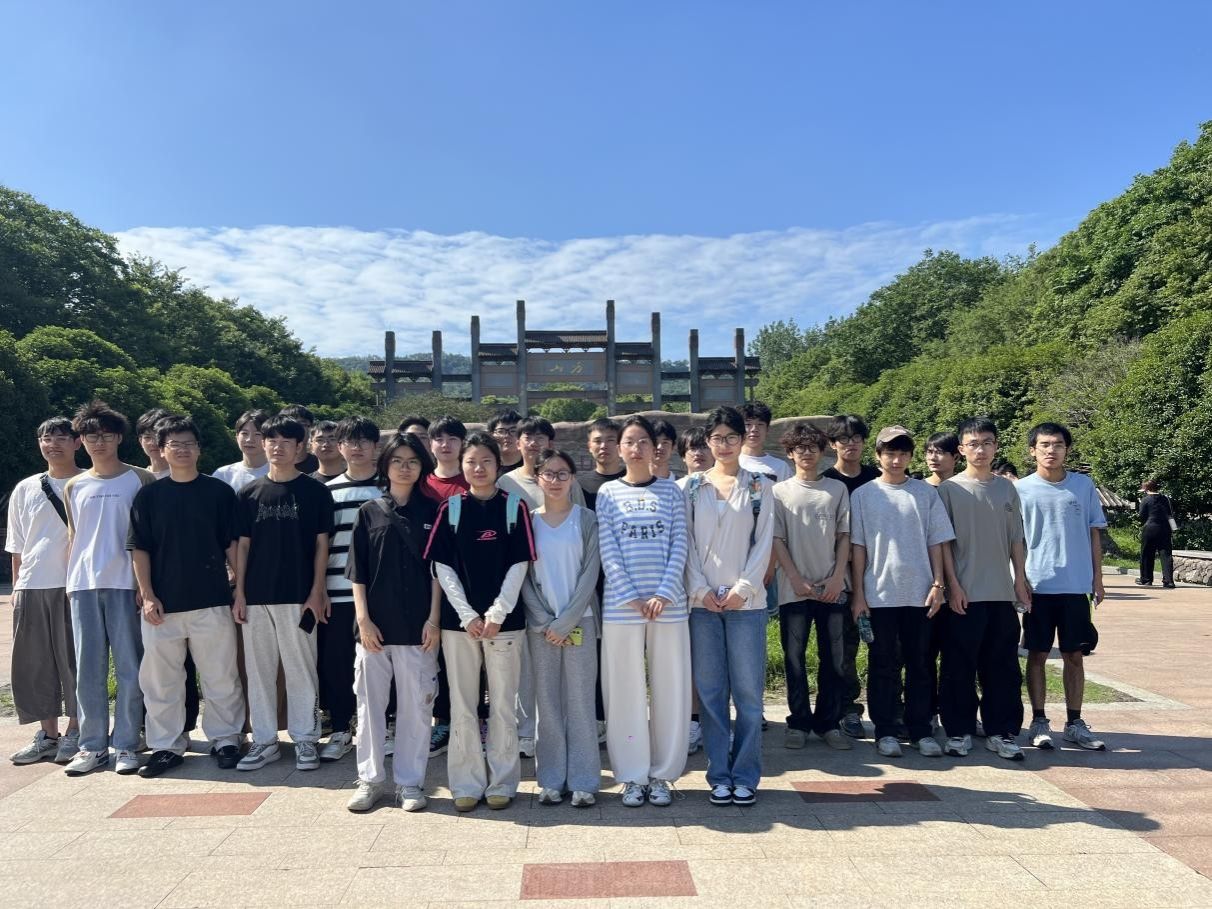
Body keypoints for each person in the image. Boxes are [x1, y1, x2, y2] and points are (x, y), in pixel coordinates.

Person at [424, 432, 535, 812]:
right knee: (463, 705)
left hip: (507, 624)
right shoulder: (451, 509)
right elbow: (442, 567)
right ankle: (466, 783)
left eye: (486, 460)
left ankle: (502, 782)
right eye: (471, 461)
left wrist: (496, 614)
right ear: (463, 466)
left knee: (503, 705)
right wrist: (468, 615)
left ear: (498, 464)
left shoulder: (514, 507)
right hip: (460, 626)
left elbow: (520, 564)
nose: (479, 468)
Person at [130, 415, 245, 777]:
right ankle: (166, 746)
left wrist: (241, 590)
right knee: (160, 680)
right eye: (174, 444)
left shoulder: (218, 492)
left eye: (188, 443)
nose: (182, 450)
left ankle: (226, 739)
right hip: (163, 605)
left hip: (212, 600)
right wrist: (147, 594)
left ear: (199, 449)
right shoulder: (149, 496)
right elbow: (139, 548)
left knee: (220, 675)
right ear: (161, 450)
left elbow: (231, 545)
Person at [596, 415, 690, 808]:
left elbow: (681, 543)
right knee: (625, 691)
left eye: (643, 442)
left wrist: (664, 594)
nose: (636, 449)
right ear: (620, 449)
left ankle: (663, 774)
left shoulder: (672, 492)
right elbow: (608, 550)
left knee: (671, 688)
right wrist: (633, 597)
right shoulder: (607, 493)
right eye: (629, 442)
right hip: (622, 608)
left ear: (655, 448)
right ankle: (632, 775)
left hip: (669, 607)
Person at [345, 432, 442, 812]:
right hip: (375, 629)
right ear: (385, 465)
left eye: (412, 461)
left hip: (419, 626)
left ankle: (410, 783)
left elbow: (439, 572)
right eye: (398, 460)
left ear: (422, 467)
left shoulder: (433, 512)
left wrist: (434, 619)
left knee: (417, 709)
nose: (405, 467)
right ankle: (369, 780)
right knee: (369, 707)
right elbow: (358, 573)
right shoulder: (368, 512)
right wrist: (363, 620)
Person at [233, 414, 335, 772]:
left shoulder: (315, 491)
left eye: (286, 441)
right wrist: (240, 593)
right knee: (259, 671)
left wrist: (317, 591)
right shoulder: (248, 493)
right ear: (264, 444)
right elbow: (242, 546)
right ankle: (264, 741)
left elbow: (322, 545)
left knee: (301, 669)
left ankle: (306, 738)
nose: (277, 447)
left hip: (299, 596)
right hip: (256, 596)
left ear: (299, 447)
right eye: (271, 440)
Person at [684, 407, 774, 805]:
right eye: (717, 438)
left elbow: (764, 541)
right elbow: (684, 543)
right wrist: (699, 589)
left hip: (746, 606)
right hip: (702, 604)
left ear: (742, 440)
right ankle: (719, 775)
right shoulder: (689, 487)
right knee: (711, 693)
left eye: (731, 437)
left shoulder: (759, 486)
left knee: (749, 694)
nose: (724, 445)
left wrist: (743, 588)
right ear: (708, 441)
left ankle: (746, 775)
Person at [61, 401, 155, 776]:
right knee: (88, 669)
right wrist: (70, 583)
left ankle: (127, 744)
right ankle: (92, 746)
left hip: (125, 583)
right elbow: (75, 536)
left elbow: (148, 538)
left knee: (130, 667)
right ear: (81, 441)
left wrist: (146, 586)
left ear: (118, 438)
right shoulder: (74, 485)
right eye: (90, 435)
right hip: (83, 584)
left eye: (106, 435)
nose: (98, 442)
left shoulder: (139, 479)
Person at [849, 426, 954, 759]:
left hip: (920, 593)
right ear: (878, 455)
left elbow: (937, 541)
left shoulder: (925, 493)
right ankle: (885, 730)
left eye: (903, 454)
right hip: (879, 593)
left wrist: (938, 585)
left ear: (910, 457)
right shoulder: (863, 495)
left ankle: (920, 730)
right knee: (883, 664)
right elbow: (858, 547)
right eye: (890, 453)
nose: (896, 460)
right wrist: (859, 594)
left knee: (920, 664)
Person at [938, 417, 1032, 761]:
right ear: (961, 449)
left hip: (1002, 593)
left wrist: (1020, 579)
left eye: (987, 443)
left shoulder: (1007, 489)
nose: (981, 450)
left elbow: (1016, 538)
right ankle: (959, 731)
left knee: (1002, 667)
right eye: (973, 444)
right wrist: (952, 585)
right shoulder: (949, 490)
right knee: (958, 667)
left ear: (996, 447)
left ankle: (1000, 732)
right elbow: (942, 544)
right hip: (964, 594)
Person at [497, 417, 585, 759]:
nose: (534, 443)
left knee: (564, 670)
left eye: (540, 437)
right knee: (527, 667)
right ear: (517, 442)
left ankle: (563, 729)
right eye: (527, 437)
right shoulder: (506, 482)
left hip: (565, 588)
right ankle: (525, 730)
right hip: (521, 585)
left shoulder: (566, 481)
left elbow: (582, 531)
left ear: (551, 442)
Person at [1018, 422, 1108, 752]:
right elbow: (1016, 541)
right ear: (1033, 450)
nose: (1051, 450)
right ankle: (1039, 721)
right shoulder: (1021, 489)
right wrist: (1018, 580)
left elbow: (1094, 533)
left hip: (1075, 585)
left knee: (1074, 655)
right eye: (1044, 445)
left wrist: (1097, 579)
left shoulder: (1083, 486)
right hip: (1038, 586)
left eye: (1058, 444)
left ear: (1067, 450)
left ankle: (1075, 723)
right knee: (1037, 655)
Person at [521, 449, 602, 808]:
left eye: (562, 474)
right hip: (541, 627)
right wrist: (544, 621)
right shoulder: (528, 521)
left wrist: (566, 620)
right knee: (547, 702)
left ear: (572, 478)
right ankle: (551, 779)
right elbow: (523, 575)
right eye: (548, 474)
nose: (555, 481)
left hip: (580, 621)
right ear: (538, 477)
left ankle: (584, 781)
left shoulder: (586, 520)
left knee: (581, 701)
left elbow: (590, 572)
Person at [770, 422, 852, 753]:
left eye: (812, 447)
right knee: (794, 658)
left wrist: (837, 577)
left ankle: (829, 723)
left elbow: (845, 536)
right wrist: (794, 578)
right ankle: (799, 723)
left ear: (822, 451)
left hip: (833, 587)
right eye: (799, 448)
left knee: (834, 659)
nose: (806, 452)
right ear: (790, 453)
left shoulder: (837, 489)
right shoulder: (779, 492)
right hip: (794, 589)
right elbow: (777, 539)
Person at [5, 418, 82, 765]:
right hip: (32, 585)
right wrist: (17, 588)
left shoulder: (88, 482)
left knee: (74, 663)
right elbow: (18, 546)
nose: (53, 444)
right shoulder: (26, 488)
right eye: (47, 438)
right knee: (34, 664)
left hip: (74, 584)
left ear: (77, 442)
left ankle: (76, 730)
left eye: (62, 438)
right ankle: (47, 735)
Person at [318, 415, 383, 762]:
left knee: (381, 662)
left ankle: (384, 728)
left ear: (376, 446)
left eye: (364, 441)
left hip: (380, 594)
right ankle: (342, 727)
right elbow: (320, 545)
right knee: (337, 664)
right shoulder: (326, 491)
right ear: (340, 447)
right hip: (336, 591)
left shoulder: (388, 487)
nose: (356, 447)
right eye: (349, 441)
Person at [822, 414, 881, 740]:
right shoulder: (826, 482)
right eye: (844, 439)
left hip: (879, 574)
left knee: (887, 647)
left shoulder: (877, 478)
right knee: (844, 649)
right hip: (841, 578)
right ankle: (848, 709)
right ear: (833, 444)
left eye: (857, 437)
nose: (851, 444)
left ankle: (890, 708)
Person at [213, 410, 271, 493]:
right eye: (244, 433)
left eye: (257, 434)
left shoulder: (279, 473)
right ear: (237, 436)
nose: (250, 440)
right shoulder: (222, 475)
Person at [578, 418, 626, 511]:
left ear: (620, 444)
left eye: (610, 440)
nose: (603, 446)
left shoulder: (633, 480)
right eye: (598, 441)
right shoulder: (580, 486)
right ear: (589, 446)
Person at [739, 402, 793, 483]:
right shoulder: (728, 462)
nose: (754, 429)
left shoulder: (780, 467)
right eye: (748, 424)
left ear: (767, 429)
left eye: (760, 424)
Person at [1137, 480, 1177, 588]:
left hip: (1150, 528)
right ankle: (1168, 581)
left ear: (1146, 489)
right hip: (1165, 529)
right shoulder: (1166, 499)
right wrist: (1174, 529)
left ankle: (1146, 579)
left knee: (1147, 554)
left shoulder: (1145, 500)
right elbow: (1170, 514)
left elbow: (1141, 516)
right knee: (1166, 555)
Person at [423, 416, 470, 502]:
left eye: (452, 439)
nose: (445, 445)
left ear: (463, 443)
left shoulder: (473, 480)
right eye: (439, 439)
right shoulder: (422, 483)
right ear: (431, 444)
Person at [280, 404, 321, 474]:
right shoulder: (270, 467)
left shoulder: (322, 465)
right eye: (290, 425)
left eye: (302, 424)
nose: (296, 429)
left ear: (311, 429)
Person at [136, 408, 172, 478]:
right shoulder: (138, 479)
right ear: (140, 441)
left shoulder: (185, 477)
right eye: (147, 437)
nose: (153, 443)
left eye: (158, 437)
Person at [488, 408, 525, 474]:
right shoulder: (487, 467)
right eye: (500, 431)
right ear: (491, 434)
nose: (507, 436)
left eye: (513, 431)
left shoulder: (532, 466)